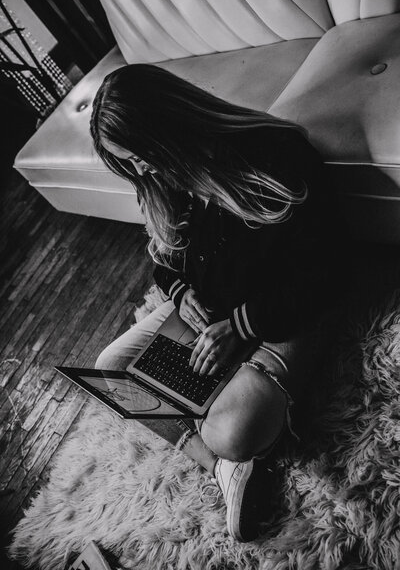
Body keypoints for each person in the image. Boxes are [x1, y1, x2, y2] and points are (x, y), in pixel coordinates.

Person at [90, 64, 346, 542]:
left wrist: (243, 327)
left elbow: (327, 275)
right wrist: (179, 291)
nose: (140, 169)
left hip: (284, 317)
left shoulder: (274, 157)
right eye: (127, 162)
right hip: (211, 310)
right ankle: (221, 471)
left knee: (229, 432)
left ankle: (232, 442)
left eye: (140, 154)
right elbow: (165, 259)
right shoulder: (163, 179)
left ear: (165, 126)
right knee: (111, 370)